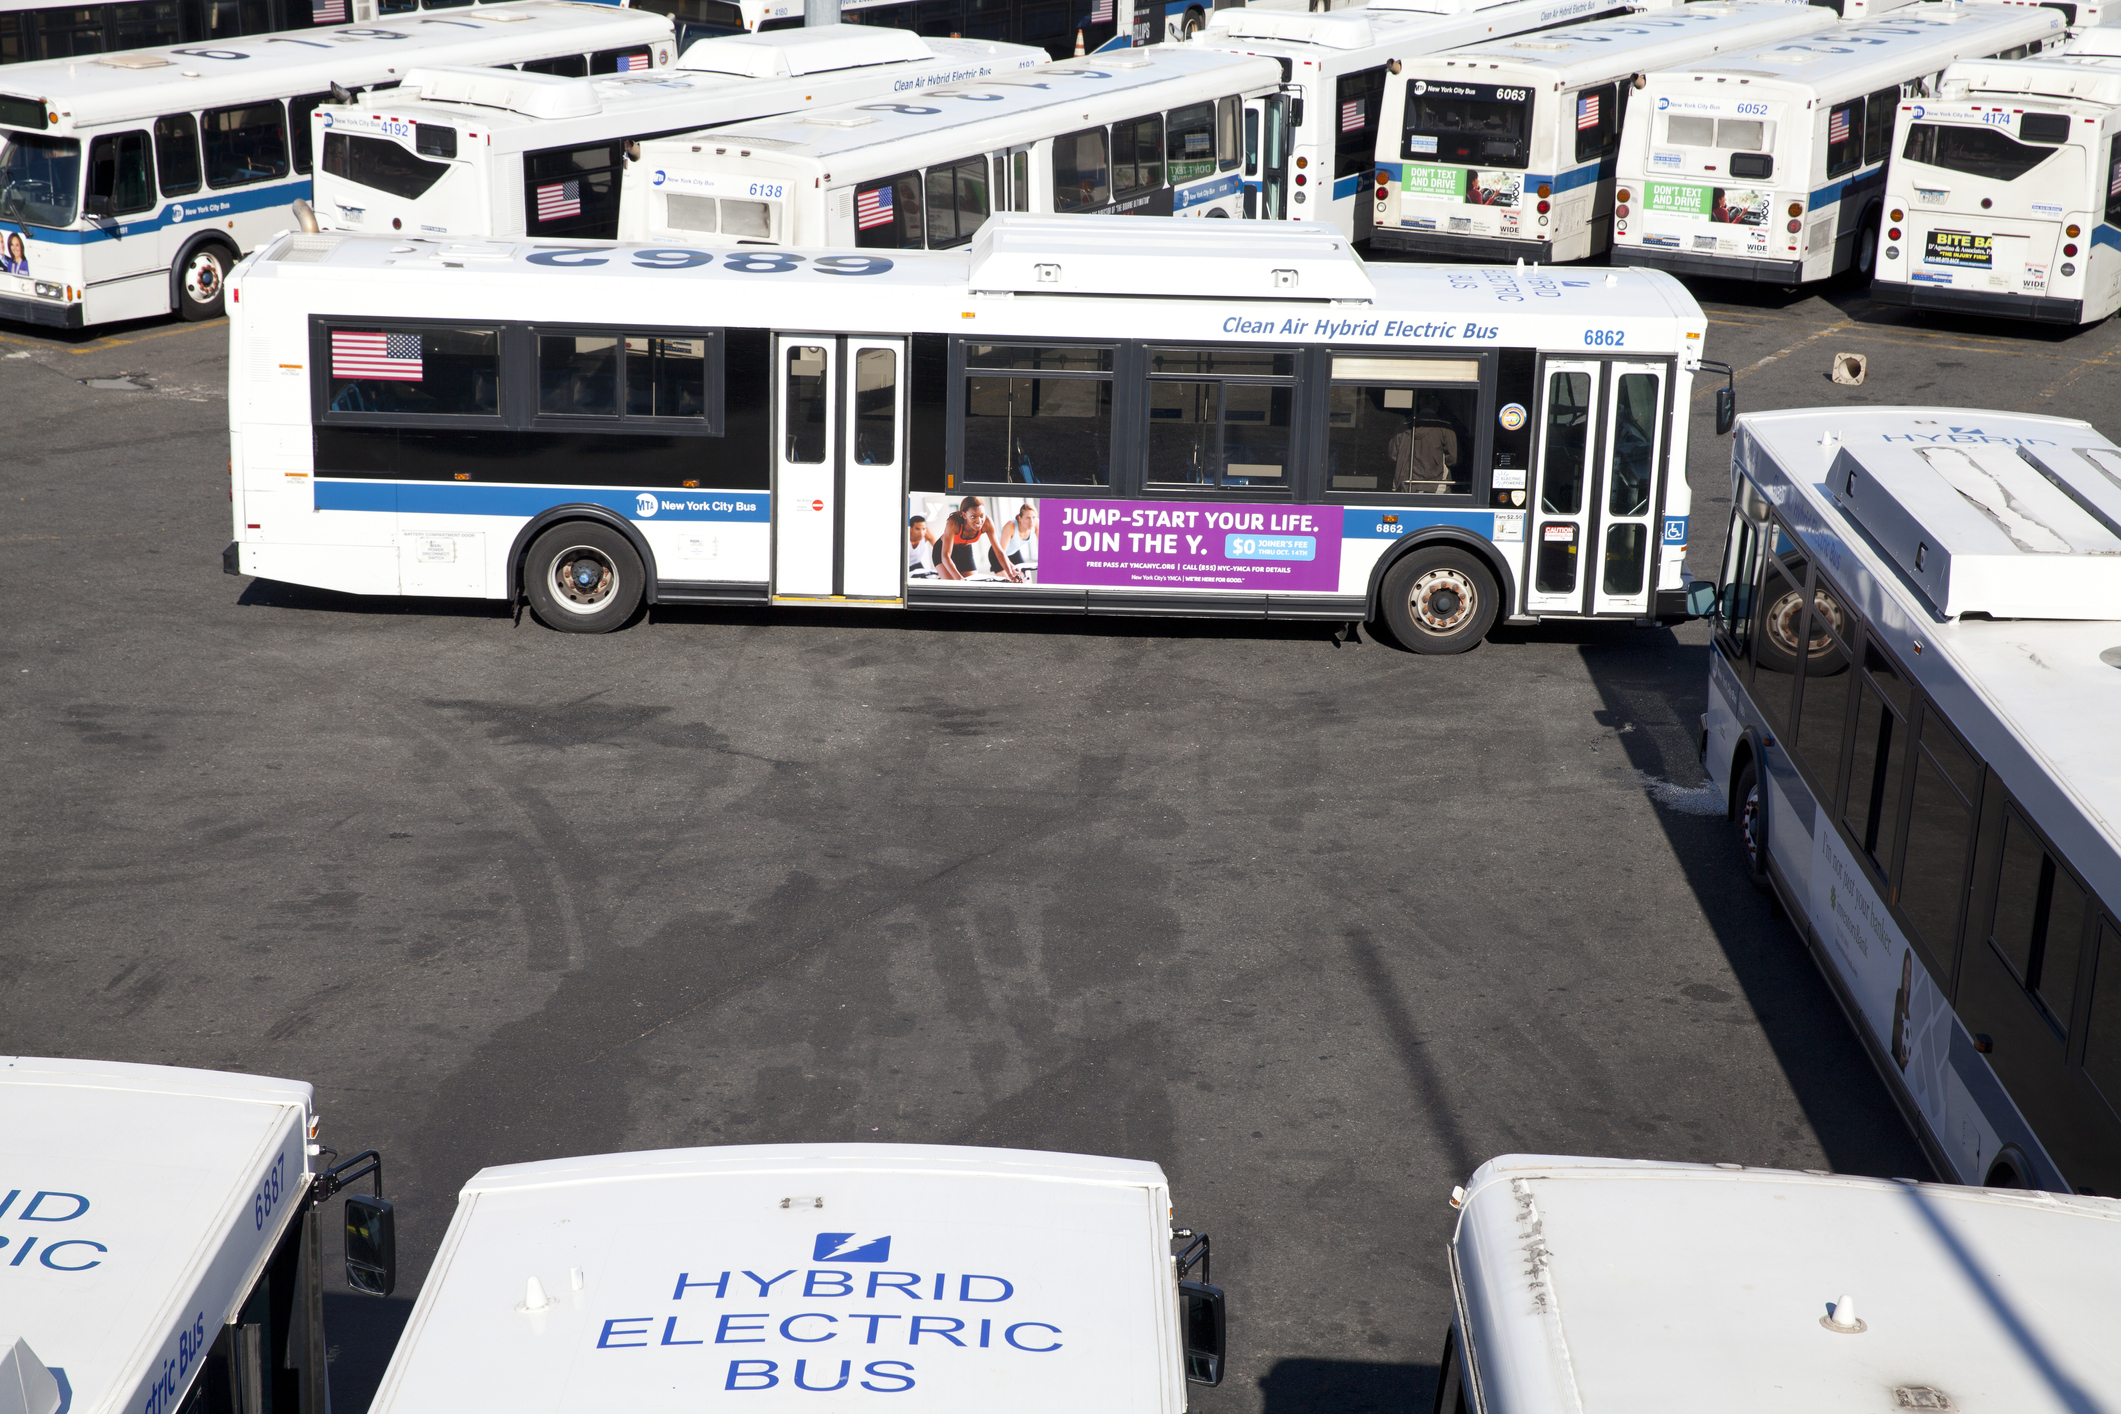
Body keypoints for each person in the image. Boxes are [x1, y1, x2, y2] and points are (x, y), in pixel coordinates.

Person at [1386, 394, 1462, 494]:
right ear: (1437, 405)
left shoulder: (1404, 425)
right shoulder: (1444, 427)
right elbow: (1453, 458)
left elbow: (1392, 455)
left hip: (1404, 484)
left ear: (1420, 404)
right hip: (1434, 485)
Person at [935, 496, 1021, 582]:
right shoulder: (954, 523)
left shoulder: (987, 523)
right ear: (964, 515)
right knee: (954, 585)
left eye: (981, 516)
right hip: (943, 551)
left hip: (964, 551)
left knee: (972, 584)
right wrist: (959, 578)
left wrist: (1010, 574)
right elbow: (945, 556)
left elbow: (999, 552)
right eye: (973, 517)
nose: (979, 521)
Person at [997, 502, 1038, 577]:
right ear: (1020, 518)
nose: (1032, 521)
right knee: (1010, 581)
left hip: (1014, 552)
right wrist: (1013, 568)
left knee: (1027, 576)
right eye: (1028, 518)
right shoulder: (1010, 526)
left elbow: (1044, 546)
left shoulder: (1036, 524)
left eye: (1034, 517)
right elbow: (1001, 553)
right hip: (998, 554)